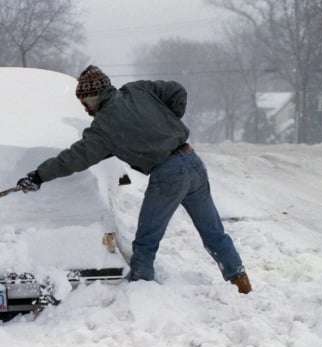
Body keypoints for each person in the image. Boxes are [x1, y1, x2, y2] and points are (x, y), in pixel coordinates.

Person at [16, 65, 252, 294]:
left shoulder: (104, 127)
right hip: (192, 161)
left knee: (147, 240)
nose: (85, 108)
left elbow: (74, 158)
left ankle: (141, 290)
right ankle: (240, 280)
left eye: (84, 102)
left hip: (168, 174)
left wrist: (39, 175)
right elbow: (176, 90)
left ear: (92, 95)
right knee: (213, 231)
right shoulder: (137, 89)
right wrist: (167, 123)